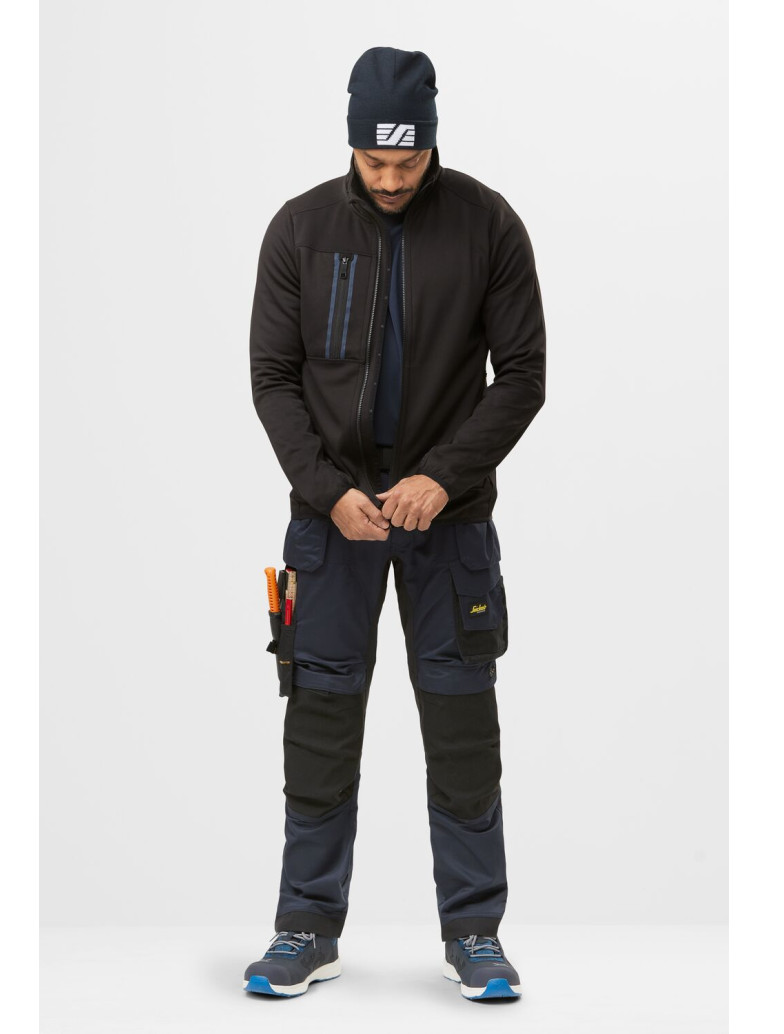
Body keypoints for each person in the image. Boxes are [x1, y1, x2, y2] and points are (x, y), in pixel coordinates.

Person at [244, 46, 546, 1002]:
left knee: (461, 721)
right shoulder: (299, 229)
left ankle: (476, 935)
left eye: (406, 162)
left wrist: (442, 479)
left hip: (447, 525)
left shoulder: (489, 225)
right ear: (350, 143)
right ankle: (305, 926)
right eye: (373, 162)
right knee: (321, 719)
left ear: (431, 141)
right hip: (330, 524)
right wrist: (327, 488)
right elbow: (273, 379)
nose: (388, 179)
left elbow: (524, 377)